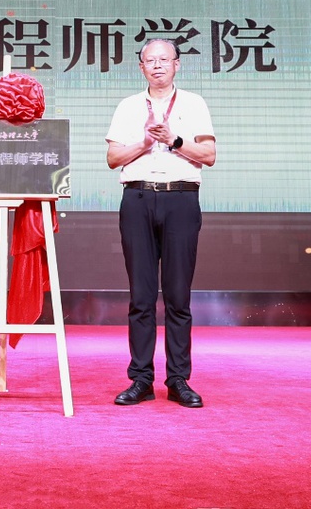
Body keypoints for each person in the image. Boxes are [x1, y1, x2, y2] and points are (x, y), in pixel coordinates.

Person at [105, 38, 216, 409]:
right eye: (150, 60)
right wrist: (144, 142)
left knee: (178, 295)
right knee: (141, 296)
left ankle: (178, 379)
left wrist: (173, 139)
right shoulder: (128, 106)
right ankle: (141, 379)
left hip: (180, 198)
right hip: (137, 198)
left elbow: (209, 154)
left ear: (176, 64)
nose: (157, 65)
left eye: (164, 59)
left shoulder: (194, 103)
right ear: (141, 67)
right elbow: (113, 158)